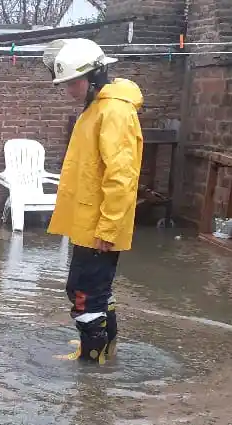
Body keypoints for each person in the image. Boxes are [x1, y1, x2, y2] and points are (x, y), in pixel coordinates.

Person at [42, 38, 144, 365]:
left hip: (100, 226)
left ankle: (91, 359)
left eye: (74, 83)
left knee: (84, 293)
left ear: (95, 76)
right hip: (89, 224)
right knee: (93, 290)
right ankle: (104, 347)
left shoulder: (113, 111)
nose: (69, 90)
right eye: (66, 84)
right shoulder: (98, 108)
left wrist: (108, 227)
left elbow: (121, 176)